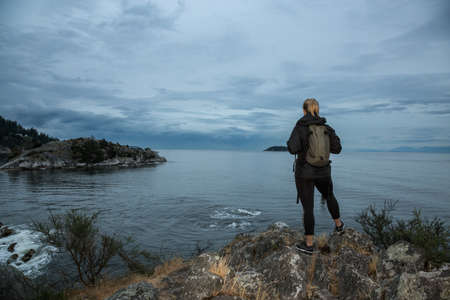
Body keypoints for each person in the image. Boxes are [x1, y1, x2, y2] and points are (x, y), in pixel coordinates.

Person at [286, 98, 344, 255]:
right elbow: (337, 148)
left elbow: (292, 148)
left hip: (304, 172)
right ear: (317, 110)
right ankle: (339, 226)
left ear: (304, 110)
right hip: (324, 171)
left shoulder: (300, 127)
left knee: (308, 208)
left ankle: (309, 245)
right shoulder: (326, 127)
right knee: (329, 195)